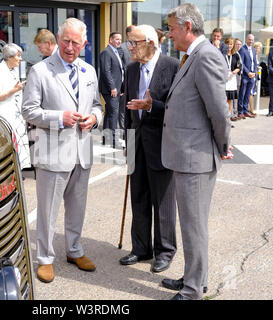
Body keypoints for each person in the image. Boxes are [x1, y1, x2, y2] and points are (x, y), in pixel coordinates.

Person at [21, 18, 103, 283]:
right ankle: (44, 258)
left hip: (82, 150)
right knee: (48, 209)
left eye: (75, 42)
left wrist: (95, 119)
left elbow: (96, 105)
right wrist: (59, 118)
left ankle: (74, 250)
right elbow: (28, 110)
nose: (69, 46)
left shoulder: (89, 71)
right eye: (65, 40)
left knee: (77, 208)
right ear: (58, 39)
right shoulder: (41, 71)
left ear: (84, 44)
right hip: (52, 151)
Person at [162, 3, 232, 300]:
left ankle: (193, 290)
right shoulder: (192, 55)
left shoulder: (205, 56)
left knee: (194, 226)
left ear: (187, 27)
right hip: (187, 154)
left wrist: (222, 145)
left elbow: (219, 111)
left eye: (172, 29)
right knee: (191, 224)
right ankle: (194, 277)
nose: (169, 35)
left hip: (196, 156)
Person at [119, 25, 178, 274]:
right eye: (128, 43)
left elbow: (178, 109)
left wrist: (153, 106)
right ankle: (141, 248)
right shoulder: (131, 68)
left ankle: (164, 251)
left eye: (134, 43)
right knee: (138, 196)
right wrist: (126, 141)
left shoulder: (173, 66)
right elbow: (126, 108)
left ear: (151, 43)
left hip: (162, 143)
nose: (129, 48)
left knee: (162, 200)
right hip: (136, 140)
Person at [0, 43, 31, 169]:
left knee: (18, 142)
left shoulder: (13, 69)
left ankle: (18, 169)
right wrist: (14, 90)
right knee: (9, 142)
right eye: (18, 56)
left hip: (16, 113)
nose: (20, 59)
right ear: (9, 57)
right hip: (5, 113)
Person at [99, 32, 125, 148]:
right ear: (110, 40)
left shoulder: (116, 51)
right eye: (117, 39)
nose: (119, 41)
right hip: (110, 89)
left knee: (109, 113)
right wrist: (113, 87)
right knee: (114, 113)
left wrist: (121, 88)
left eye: (120, 39)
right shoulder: (106, 52)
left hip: (116, 88)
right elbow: (106, 71)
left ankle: (106, 139)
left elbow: (120, 71)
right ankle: (114, 141)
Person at [237, 34, 257, 119]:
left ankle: (245, 111)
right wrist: (248, 72)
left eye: (252, 40)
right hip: (245, 76)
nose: (251, 41)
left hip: (252, 76)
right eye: (249, 39)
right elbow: (242, 63)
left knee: (248, 94)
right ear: (246, 40)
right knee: (242, 93)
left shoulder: (253, 49)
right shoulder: (242, 49)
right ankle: (240, 111)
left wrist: (254, 73)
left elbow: (255, 62)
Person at [223, 37, 241, 122]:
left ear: (233, 45)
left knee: (229, 100)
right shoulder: (222, 54)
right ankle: (223, 119)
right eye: (227, 44)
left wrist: (235, 71)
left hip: (232, 79)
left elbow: (239, 67)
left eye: (231, 44)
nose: (229, 46)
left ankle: (228, 120)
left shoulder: (236, 55)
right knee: (223, 100)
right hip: (223, 79)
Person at [248, 41, 263, 116]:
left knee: (252, 92)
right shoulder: (251, 55)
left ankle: (250, 108)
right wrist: (257, 67)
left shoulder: (256, 56)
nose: (257, 49)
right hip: (251, 76)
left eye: (259, 48)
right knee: (250, 92)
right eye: (256, 47)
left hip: (255, 77)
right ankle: (251, 109)